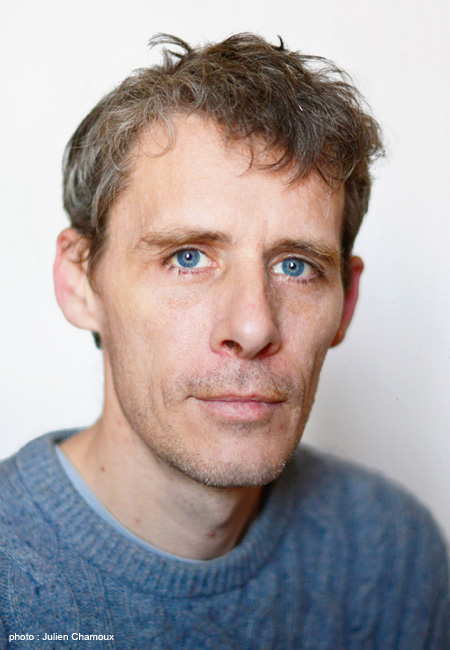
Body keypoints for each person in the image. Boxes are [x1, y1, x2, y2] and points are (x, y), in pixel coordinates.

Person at [0, 33, 448, 649]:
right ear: (80, 282)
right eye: (187, 257)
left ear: (345, 303)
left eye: (296, 266)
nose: (254, 326)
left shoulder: (391, 555)